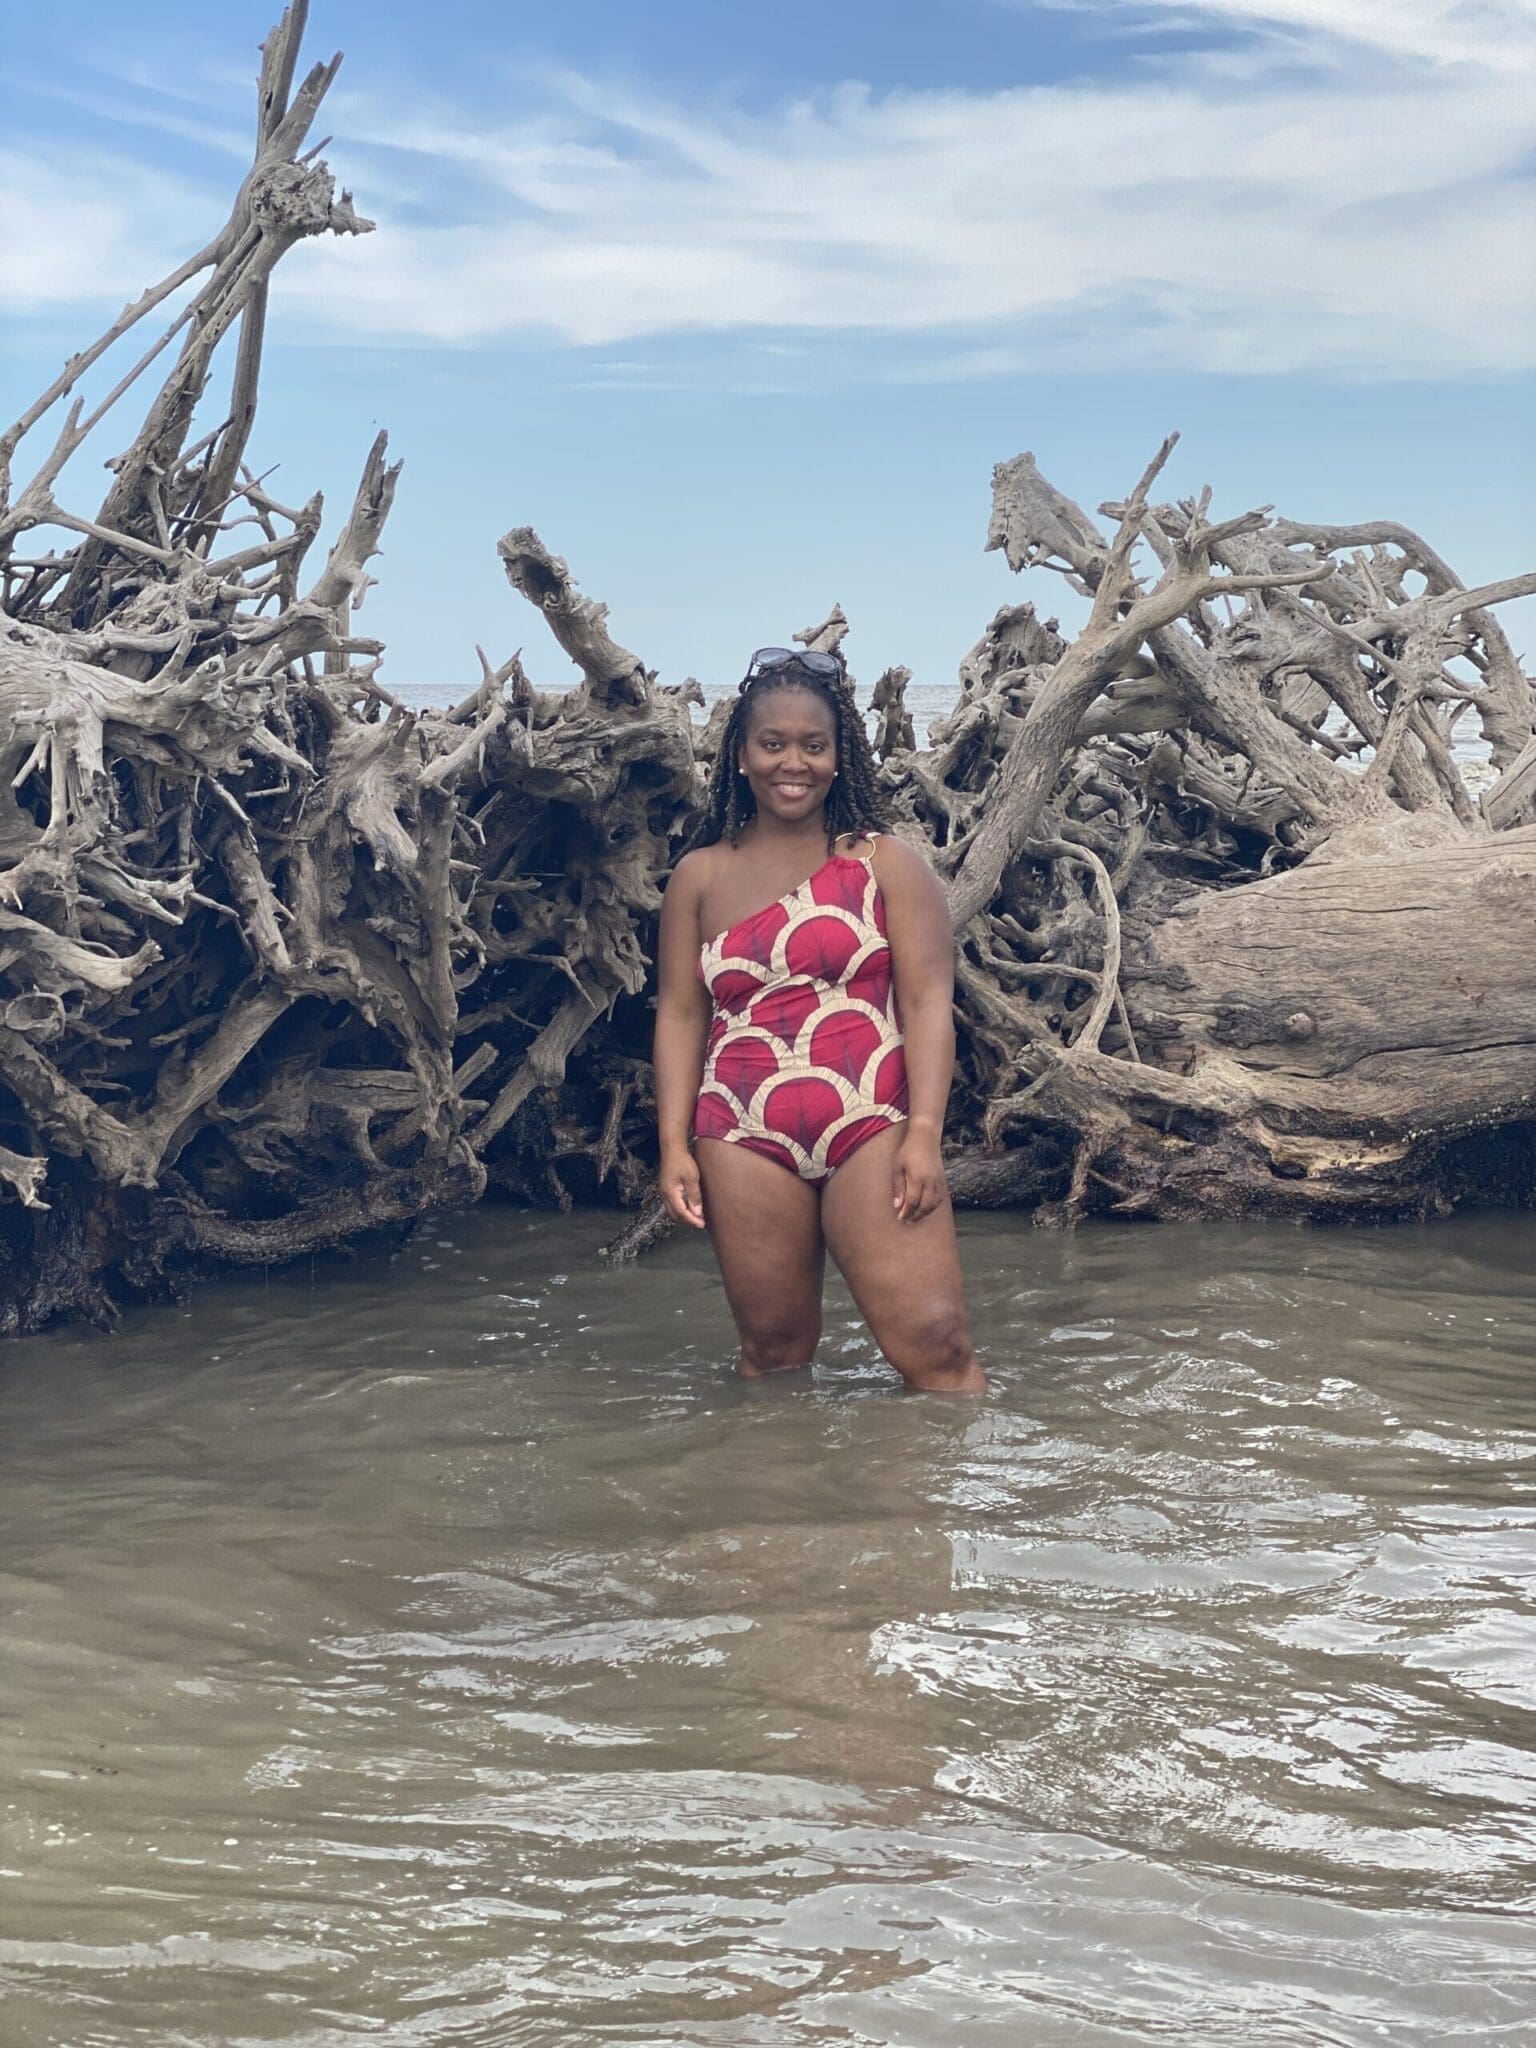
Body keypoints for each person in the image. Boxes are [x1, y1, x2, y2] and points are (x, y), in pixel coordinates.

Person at [653, 645, 986, 1394]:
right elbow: (679, 1014)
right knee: (773, 1355)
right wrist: (673, 1145)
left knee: (937, 1349)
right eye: (773, 743)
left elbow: (928, 1002)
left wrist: (925, 1133)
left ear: (840, 757)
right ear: (741, 755)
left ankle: (937, 1474)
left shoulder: (884, 864)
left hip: (873, 1120)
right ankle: (782, 1474)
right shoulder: (699, 876)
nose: (793, 763)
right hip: (740, 1130)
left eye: (814, 745)